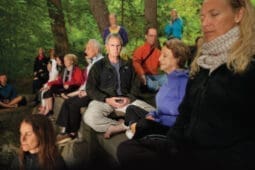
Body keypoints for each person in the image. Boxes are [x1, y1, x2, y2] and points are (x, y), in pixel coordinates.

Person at [117, 0, 255, 170]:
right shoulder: (202, 64)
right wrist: (172, 146)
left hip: (220, 159)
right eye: (202, 16)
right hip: (184, 148)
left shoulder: (249, 66)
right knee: (127, 149)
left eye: (214, 14)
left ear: (238, 14)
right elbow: (185, 113)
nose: (205, 23)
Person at [83, 33, 154, 139]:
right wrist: (106, 99)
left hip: (126, 100)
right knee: (90, 117)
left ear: (121, 47)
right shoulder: (98, 66)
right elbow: (90, 88)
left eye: (118, 45)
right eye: (112, 45)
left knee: (154, 114)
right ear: (107, 47)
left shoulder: (129, 65)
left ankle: (123, 126)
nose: (115, 49)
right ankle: (126, 126)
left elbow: (136, 85)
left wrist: (129, 98)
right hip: (105, 101)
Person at [123, 39, 189, 140]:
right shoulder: (167, 78)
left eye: (165, 56)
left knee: (145, 125)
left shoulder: (185, 83)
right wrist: (151, 114)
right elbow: (160, 109)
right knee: (131, 109)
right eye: (161, 55)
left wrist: (157, 120)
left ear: (178, 59)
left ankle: (136, 130)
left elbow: (183, 119)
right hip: (157, 120)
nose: (159, 59)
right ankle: (136, 129)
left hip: (169, 128)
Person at [56, 39, 104, 144]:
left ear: (95, 50)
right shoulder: (93, 62)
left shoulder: (101, 62)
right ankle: (65, 130)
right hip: (88, 91)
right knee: (68, 101)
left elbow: (100, 83)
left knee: (73, 103)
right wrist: (78, 91)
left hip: (95, 93)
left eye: (87, 48)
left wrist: (86, 92)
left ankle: (72, 132)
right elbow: (87, 82)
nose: (85, 51)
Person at [132, 27, 166, 92]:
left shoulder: (158, 52)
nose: (153, 38)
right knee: (149, 82)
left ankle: (161, 88)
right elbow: (136, 63)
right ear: (146, 36)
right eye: (151, 36)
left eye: (155, 36)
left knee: (167, 78)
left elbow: (163, 64)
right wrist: (142, 74)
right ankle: (160, 88)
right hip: (144, 77)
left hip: (155, 77)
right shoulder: (140, 50)